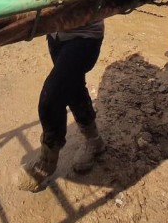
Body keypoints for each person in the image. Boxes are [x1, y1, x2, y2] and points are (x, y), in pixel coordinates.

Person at [17, 20, 106, 192]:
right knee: (73, 89)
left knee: (51, 99)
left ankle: (46, 164)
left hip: (84, 37)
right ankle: (95, 141)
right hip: (56, 35)